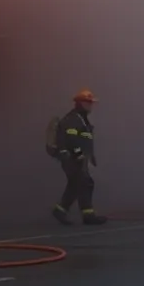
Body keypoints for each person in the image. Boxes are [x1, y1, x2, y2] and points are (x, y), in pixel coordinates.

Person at [52, 88, 107, 226]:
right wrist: (78, 155)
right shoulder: (73, 119)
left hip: (78, 157)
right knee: (85, 183)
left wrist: (90, 156)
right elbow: (71, 139)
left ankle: (60, 211)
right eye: (88, 102)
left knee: (76, 185)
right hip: (72, 157)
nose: (91, 105)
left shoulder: (81, 119)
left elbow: (85, 139)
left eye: (91, 103)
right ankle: (88, 216)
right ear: (80, 103)